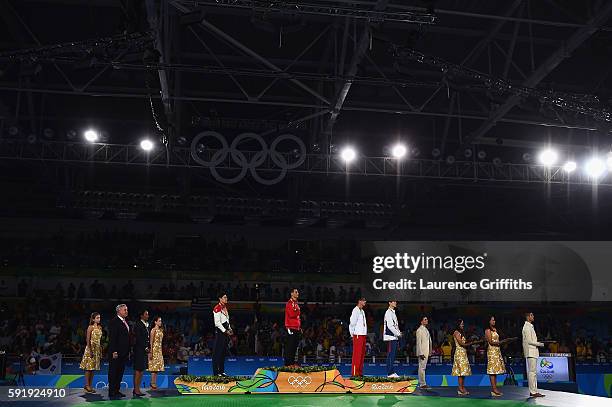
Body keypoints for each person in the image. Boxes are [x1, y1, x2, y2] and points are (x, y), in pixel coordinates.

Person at [107, 304, 130, 398]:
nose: (126, 311)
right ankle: (111, 391)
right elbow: (113, 338)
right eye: (125, 310)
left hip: (123, 353)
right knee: (113, 372)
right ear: (119, 311)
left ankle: (117, 390)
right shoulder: (114, 322)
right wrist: (114, 351)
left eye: (127, 310)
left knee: (120, 372)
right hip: (116, 353)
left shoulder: (125, 322)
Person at [522, 312, 545, 398]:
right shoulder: (527, 327)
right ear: (528, 317)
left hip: (533, 351)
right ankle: (532, 391)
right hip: (530, 352)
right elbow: (529, 341)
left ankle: (534, 390)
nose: (533, 316)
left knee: (533, 372)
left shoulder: (530, 326)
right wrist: (540, 344)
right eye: (532, 315)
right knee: (532, 373)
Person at [79, 312, 102, 394]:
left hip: (97, 350)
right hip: (90, 349)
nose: (99, 319)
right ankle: (87, 385)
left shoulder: (100, 327)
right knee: (88, 368)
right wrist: (90, 351)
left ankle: (90, 385)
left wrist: (99, 350)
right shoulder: (90, 327)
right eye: (97, 318)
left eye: (99, 317)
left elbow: (99, 340)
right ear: (93, 319)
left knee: (93, 368)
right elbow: (87, 340)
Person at [452, 319, 475, 396]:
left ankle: (462, 387)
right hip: (459, 353)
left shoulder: (461, 332)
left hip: (463, 353)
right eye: (461, 324)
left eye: (463, 324)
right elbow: (461, 343)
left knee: (463, 372)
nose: (463, 325)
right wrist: (472, 343)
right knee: (460, 372)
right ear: (458, 324)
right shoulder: (456, 332)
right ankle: (460, 388)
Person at [213, 292, 233, 376]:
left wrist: (230, 329)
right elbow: (217, 323)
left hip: (225, 332)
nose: (226, 299)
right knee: (217, 353)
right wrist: (225, 331)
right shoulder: (217, 308)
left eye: (226, 297)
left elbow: (227, 320)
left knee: (223, 353)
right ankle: (216, 372)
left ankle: (221, 371)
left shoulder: (225, 308)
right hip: (220, 332)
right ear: (220, 299)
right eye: (224, 297)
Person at [485, 316, 505, 397]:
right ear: (489, 321)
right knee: (492, 371)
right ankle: (494, 389)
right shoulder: (487, 330)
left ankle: (495, 388)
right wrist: (500, 342)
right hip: (492, 351)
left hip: (497, 351)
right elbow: (490, 342)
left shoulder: (495, 330)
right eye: (492, 320)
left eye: (494, 320)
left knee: (495, 371)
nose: (494, 321)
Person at [132, 310, 150, 397]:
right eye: (146, 314)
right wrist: (145, 347)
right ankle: (136, 390)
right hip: (139, 350)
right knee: (138, 370)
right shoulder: (138, 324)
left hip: (144, 351)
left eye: (148, 314)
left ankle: (137, 389)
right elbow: (139, 338)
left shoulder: (145, 325)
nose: (148, 316)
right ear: (141, 316)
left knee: (141, 370)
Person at [383, 300, 402, 378]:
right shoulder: (388, 312)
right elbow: (390, 326)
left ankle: (392, 372)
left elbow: (395, 325)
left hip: (394, 337)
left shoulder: (393, 312)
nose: (395, 302)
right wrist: (398, 333)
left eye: (395, 301)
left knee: (392, 355)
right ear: (389, 303)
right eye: (393, 301)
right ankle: (390, 373)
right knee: (390, 355)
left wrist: (398, 332)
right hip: (390, 337)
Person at [349, 297, 367, 377]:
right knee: (357, 354)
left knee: (361, 355)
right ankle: (354, 373)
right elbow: (352, 323)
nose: (365, 302)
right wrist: (352, 334)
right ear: (359, 301)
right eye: (364, 301)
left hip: (363, 335)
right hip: (357, 335)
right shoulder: (355, 310)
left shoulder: (362, 311)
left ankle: (359, 372)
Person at [284, 288, 301, 366]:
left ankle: (292, 363)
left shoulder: (296, 304)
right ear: (291, 294)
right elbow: (292, 314)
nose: (298, 293)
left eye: (297, 292)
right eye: (296, 292)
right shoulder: (289, 303)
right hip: (291, 328)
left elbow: (297, 316)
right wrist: (297, 311)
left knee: (294, 347)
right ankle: (288, 364)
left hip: (296, 328)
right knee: (290, 346)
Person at [147, 316, 165, 389]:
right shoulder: (153, 330)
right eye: (159, 321)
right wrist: (150, 352)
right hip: (154, 350)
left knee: (157, 368)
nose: (160, 322)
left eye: (161, 321)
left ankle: (154, 383)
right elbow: (151, 342)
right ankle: (152, 383)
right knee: (153, 368)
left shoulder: (161, 330)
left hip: (159, 350)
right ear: (155, 322)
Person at [416, 316, 432, 389]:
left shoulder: (426, 329)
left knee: (423, 368)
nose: (427, 320)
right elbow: (418, 342)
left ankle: (423, 383)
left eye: (427, 319)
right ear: (421, 321)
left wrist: (430, 351)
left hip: (426, 351)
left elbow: (429, 342)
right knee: (421, 367)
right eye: (425, 319)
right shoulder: (419, 330)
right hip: (422, 352)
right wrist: (420, 353)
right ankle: (422, 384)